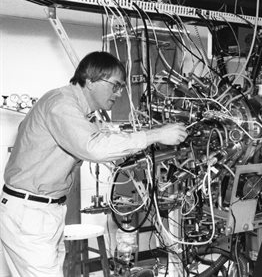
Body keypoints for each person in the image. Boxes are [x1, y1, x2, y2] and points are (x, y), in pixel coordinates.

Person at [0, 51, 188, 277]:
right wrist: (155, 135)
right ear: (90, 81)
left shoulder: (77, 110)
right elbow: (94, 147)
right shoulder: (61, 104)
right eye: (115, 85)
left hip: (44, 210)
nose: (119, 93)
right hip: (30, 213)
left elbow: (100, 137)